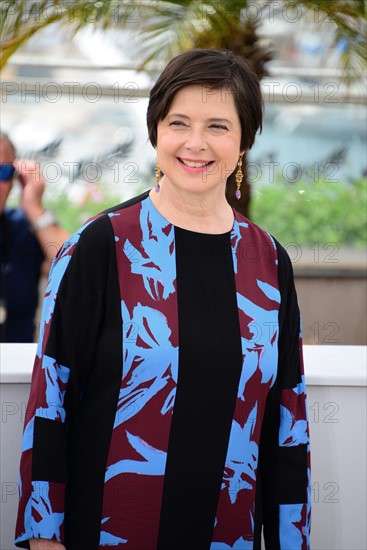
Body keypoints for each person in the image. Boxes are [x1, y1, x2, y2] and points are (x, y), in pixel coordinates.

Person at [15, 49, 311, 549]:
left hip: (228, 538)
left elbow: (288, 421)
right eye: (179, 122)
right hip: (108, 534)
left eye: (218, 126)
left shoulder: (268, 261)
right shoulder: (99, 247)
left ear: (244, 142)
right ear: (156, 132)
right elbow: (50, 405)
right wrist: (45, 539)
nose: (196, 143)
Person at [0, 132, 70, 342]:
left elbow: (77, 268)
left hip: (14, 369)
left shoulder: (21, 228)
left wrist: (34, 207)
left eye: (4, 172)